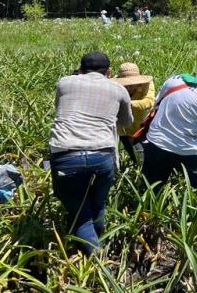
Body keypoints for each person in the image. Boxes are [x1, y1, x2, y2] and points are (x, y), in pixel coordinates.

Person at [49, 51, 132, 255]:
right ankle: (100, 247)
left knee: (80, 213)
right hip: (102, 155)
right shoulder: (119, 89)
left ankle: (96, 260)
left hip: (66, 154)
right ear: (109, 71)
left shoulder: (64, 82)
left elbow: (59, 108)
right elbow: (127, 123)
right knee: (98, 203)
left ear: (80, 69)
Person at [112, 62, 155, 164]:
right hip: (123, 126)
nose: (128, 87)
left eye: (131, 84)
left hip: (141, 126)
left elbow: (149, 101)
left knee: (144, 156)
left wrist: (127, 103)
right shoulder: (113, 84)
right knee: (133, 155)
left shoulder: (147, 83)